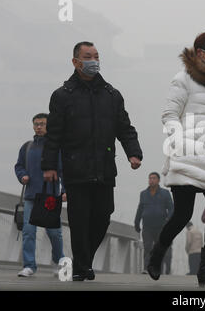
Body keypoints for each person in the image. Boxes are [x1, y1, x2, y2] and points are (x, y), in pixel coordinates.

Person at [41, 41, 143, 281]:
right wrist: (49, 166)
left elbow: (125, 128)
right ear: (76, 62)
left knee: (103, 215)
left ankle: (82, 260)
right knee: (79, 220)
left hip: (105, 167)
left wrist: (133, 152)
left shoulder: (112, 95)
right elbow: (53, 134)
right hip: (76, 168)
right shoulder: (62, 96)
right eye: (88, 56)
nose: (93, 60)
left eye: (96, 56)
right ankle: (81, 267)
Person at [148, 31, 205, 288]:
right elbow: (169, 114)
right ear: (200, 51)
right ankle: (157, 254)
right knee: (182, 214)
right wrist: (180, 142)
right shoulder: (183, 79)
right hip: (188, 157)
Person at [14, 113, 66, 277]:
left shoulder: (56, 147)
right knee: (29, 231)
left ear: (48, 126)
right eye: (36, 124)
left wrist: (64, 189)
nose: (38, 127)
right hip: (30, 196)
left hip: (50, 196)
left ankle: (60, 263)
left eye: (42, 124)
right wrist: (22, 175)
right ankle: (29, 266)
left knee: (54, 233)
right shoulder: (27, 147)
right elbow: (19, 165)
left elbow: (63, 170)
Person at [134, 172, 173, 274]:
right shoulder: (143, 194)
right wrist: (136, 223)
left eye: (154, 178)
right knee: (147, 247)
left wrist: (168, 219)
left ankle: (164, 269)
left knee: (161, 248)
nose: (151, 180)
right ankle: (146, 268)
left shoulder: (165, 193)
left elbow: (171, 208)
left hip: (161, 226)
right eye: (150, 178)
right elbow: (140, 209)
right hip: (147, 226)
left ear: (158, 180)